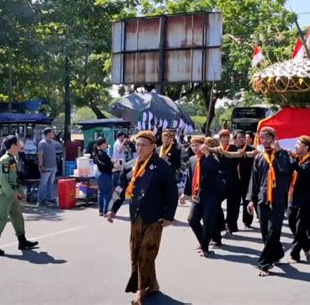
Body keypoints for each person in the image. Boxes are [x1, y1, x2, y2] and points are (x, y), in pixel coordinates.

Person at [106, 130, 178, 305]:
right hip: (136, 217)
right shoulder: (130, 165)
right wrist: (112, 208)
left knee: (146, 254)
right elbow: (120, 189)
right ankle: (152, 284)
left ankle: (141, 290)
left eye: (143, 145)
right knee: (136, 253)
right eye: (137, 144)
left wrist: (169, 216)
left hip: (155, 218)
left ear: (153, 147)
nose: (139, 148)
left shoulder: (161, 166)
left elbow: (172, 192)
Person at [247, 126, 290, 276]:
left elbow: (285, 170)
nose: (264, 141)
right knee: (265, 231)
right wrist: (251, 200)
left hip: (278, 199)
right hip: (262, 198)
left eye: (267, 138)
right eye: (262, 138)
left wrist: (278, 152)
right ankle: (277, 254)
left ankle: (264, 264)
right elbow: (254, 181)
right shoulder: (259, 157)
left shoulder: (283, 155)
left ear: (273, 139)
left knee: (273, 231)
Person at [0, 135, 38, 256]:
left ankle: (22, 241)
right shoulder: (5, 160)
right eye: (18, 143)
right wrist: (12, 194)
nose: (20, 145)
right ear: (13, 145)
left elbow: (15, 178)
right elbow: (3, 180)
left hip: (13, 193)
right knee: (1, 218)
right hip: (5, 194)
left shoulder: (12, 159)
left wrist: (20, 192)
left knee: (18, 218)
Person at [180, 135, 222, 257]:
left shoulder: (211, 157)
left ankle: (205, 247)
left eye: (197, 145)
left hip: (211, 195)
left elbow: (215, 167)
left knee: (208, 220)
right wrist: (184, 193)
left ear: (203, 146)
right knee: (192, 219)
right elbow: (189, 177)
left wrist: (207, 153)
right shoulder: (192, 159)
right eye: (192, 146)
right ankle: (203, 240)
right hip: (197, 194)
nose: (195, 148)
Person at [287, 135, 310, 262]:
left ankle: (295, 252)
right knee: (291, 223)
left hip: (305, 199)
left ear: (306, 147)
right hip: (292, 196)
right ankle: (307, 244)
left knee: (300, 227)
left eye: (299, 144)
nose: (296, 146)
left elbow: (303, 171)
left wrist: (293, 161)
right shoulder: (296, 159)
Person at [217, 129, 241, 234]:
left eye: (226, 136)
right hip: (219, 180)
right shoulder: (216, 149)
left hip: (233, 179)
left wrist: (241, 153)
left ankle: (231, 225)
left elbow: (241, 159)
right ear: (219, 138)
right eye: (222, 136)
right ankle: (221, 223)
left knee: (233, 205)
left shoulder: (234, 148)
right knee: (215, 202)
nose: (224, 138)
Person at [234, 130, 256, 229]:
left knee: (247, 201)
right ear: (235, 139)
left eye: (243, 137)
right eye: (238, 137)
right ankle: (232, 224)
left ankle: (247, 223)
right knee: (234, 203)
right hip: (235, 180)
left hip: (247, 179)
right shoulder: (232, 149)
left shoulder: (251, 149)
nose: (241, 139)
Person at [37, 127, 57, 207]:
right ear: (48, 133)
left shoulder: (52, 142)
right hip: (46, 167)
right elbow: (40, 155)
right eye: (52, 132)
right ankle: (41, 200)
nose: (54, 134)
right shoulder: (42, 143)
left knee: (50, 184)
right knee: (43, 184)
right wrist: (41, 166)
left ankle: (49, 198)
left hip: (53, 166)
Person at [93, 137, 113, 217]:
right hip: (105, 174)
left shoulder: (97, 153)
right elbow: (109, 165)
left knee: (101, 192)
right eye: (105, 143)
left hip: (98, 173)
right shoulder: (102, 154)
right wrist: (113, 164)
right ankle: (106, 211)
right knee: (107, 193)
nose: (107, 144)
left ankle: (101, 210)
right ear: (102, 144)